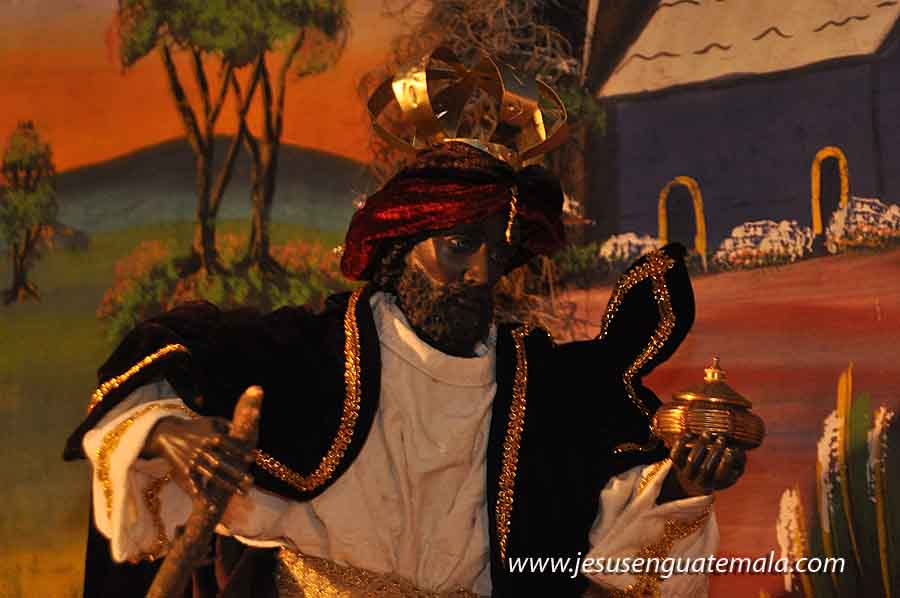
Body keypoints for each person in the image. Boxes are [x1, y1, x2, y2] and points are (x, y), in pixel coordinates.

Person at [64, 52, 746, 598]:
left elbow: (621, 509)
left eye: (496, 255)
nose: (479, 274)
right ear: (401, 245)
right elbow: (163, 369)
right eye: (458, 247)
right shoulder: (311, 353)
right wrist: (170, 432)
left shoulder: (539, 388)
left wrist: (683, 487)